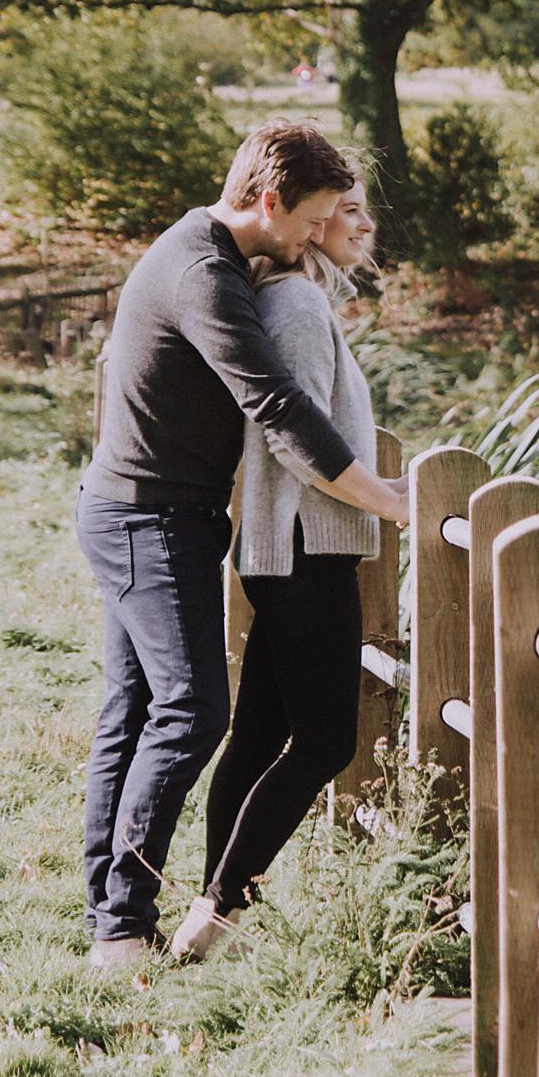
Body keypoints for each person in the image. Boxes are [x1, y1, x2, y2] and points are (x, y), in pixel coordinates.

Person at [74, 122, 410, 971]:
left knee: (140, 712)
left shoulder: (215, 261)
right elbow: (281, 413)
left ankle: (119, 914)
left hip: (156, 511)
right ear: (270, 201)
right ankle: (125, 923)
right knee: (193, 714)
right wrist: (385, 499)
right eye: (320, 215)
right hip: (151, 516)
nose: (325, 231)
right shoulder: (208, 273)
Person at [170, 180, 382, 961]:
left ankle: (206, 912)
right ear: (309, 223)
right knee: (325, 742)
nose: (358, 223)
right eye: (343, 211)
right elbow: (291, 436)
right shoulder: (294, 306)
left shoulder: (294, 299)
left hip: (290, 549)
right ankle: (220, 912)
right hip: (305, 548)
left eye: (362, 210)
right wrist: (383, 498)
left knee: (260, 735)